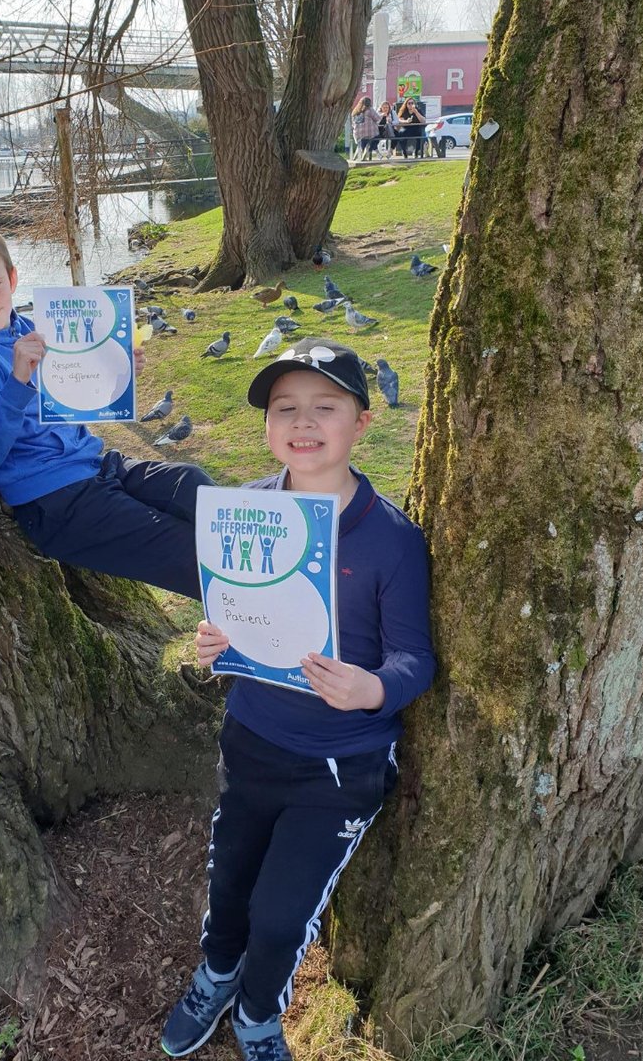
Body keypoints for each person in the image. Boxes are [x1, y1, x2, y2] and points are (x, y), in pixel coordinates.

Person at [160, 339, 435, 1061]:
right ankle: (217, 974)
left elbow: (415, 657)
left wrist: (373, 687)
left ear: (361, 423)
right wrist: (214, 641)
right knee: (228, 883)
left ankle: (257, 1014)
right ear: (266, 425)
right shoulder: (245, 510)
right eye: (285, 408)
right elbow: (232, 612)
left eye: (325, 407)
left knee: (281, 916)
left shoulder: (392, 540)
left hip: (339, 766)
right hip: (251, 740)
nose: (303, 423)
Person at [0, 220, 213, 598]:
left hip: (95, 466)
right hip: (56, 501)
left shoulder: (26, 327)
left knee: (192, 485)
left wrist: (118, 371)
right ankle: (259, 615)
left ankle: (275, 559)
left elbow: (73, 392)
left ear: (12, 279)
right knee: (185, 551)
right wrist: (17, 382)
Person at [351, 96, 381, 161]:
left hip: (357, 134)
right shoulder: (370, 110)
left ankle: (356, 156)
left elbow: (353, 123)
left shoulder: (355, 111)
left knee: (361, 143)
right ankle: (367, 150)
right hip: (370, 133)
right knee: (376, 139)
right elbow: (378, 119)